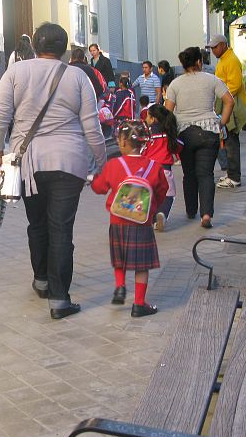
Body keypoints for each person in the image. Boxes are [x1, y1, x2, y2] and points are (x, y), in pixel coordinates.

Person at [0, 22, 107, 320]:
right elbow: (92, 126)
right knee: (61, 229)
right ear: (64, 48)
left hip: (28, 163)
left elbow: (0, 117)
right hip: (69, 162)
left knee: (37, 223)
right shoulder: (78, 77)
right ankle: (59, 299)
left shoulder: (15, 72)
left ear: (36, 45)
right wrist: (102, 163)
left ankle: (41, 280)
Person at [91, 120, 168, 317]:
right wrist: (151, 210)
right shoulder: (154, 166)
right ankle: (139, 304)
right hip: (142, 223)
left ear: (124, 142)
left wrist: (93, 181)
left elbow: (100, 187)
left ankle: (120, 286)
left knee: (120, 257)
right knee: (142, 265)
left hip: (118, 221)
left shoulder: (114, 165)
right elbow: (162, 191)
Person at [165, 46, 235, 229]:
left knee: (189, 174)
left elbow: (167, 112)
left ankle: (191, 210)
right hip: (209, 132)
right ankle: (206, 214)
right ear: (199, 61)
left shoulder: (175, 84)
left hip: (185, 133)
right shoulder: (212, 79)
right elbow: (229, 101)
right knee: (206, 174)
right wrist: (222, 122)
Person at [207, 33, 246, 189]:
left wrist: (221, 96)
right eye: (211, 48)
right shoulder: (225, 59)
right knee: (227, 139)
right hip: (227, 104)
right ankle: (231, 173)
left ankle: (234, 177)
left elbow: (235, 85)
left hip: (231, 106)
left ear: (223, 45)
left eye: (215, 47)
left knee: (231, 141)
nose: (213, 50)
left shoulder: (230, 59)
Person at [143, 104, 182, 232]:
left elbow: (142, 152)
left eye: (148, 116)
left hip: (149, 172)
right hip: (165, 171)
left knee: (151, 196)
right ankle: (162, 215)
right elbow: (180, 145)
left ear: (153, 119)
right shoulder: (168, 135)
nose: (146, 119)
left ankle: (152, 219)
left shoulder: (147, 136)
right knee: (168, 195)